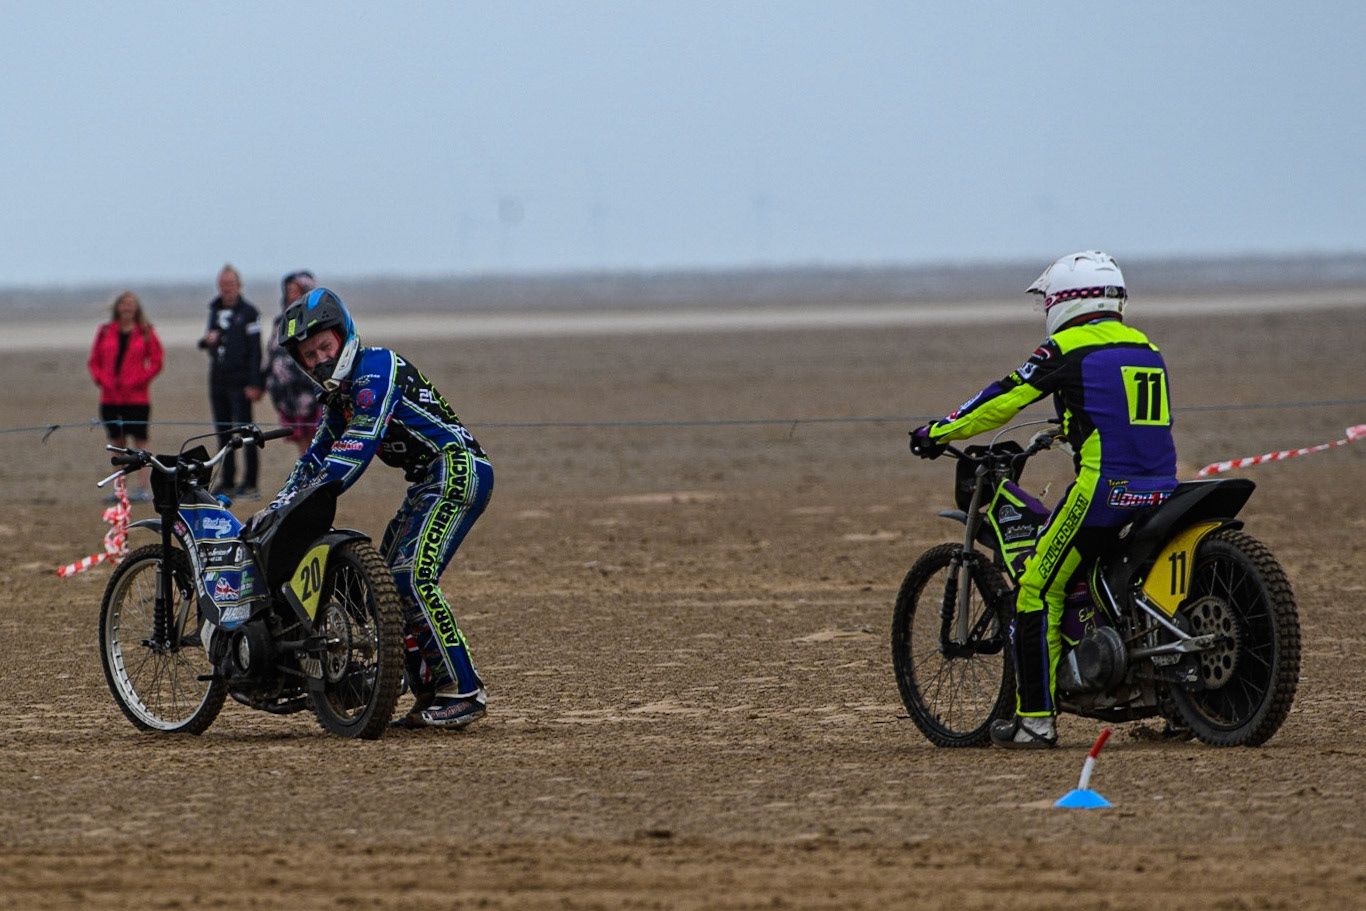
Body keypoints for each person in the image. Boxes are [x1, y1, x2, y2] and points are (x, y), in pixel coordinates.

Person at [909, 251, 1178, 749]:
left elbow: (1003, 398)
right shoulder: (1145, 346)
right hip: (1161, 485)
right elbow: (1118, 414)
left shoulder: (1065, 348)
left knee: (1035, 587)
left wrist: (939, 430)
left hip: (1105, 491)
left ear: (1064, 300)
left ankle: (1035, 721)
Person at [267, 288, 494, 729]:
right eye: (309, 355)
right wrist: (276, 510)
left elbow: (356, 447)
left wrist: (309, 498)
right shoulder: (340, 398)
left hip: (457, 469)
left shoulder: (377, 369)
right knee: (385, 587)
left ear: (344, 335)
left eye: (325, 348)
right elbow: (313, 459)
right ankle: (428, 689)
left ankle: (465, 690)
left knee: (409, 577)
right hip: (428, 482)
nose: (319, 360)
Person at [88, 291, 165, 502]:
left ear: (137, 308)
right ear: (117, 308)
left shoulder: (146, 332)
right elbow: (94, 361)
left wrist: (140, 379)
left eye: (131, 304)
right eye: (124, 304)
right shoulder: (105, 331)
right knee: (117, 444)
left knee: (140, 443)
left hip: (137, 398)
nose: (127, 308)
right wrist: (102, 379)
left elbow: (157, 361)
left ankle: (142, 489)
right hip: (110, 397)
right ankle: (119, 489)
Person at [197, 263, 264, 498]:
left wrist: (256, 383)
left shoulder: (249, 313)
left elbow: (256, 350)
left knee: (245, 432)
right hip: (218, 380)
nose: (227, 288)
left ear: (238, 285)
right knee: (223, 432)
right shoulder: (214, 310)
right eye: (223, 284)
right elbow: (208, 341)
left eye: (231, 284)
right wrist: (209, 341)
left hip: (242, 380)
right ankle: (227, 480)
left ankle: (250, 482)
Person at [263, 270, 322, 455]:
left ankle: (318, 475)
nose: (291, 295)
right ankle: (305, 474)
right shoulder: (281, 321)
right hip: (287, 394)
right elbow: (272, 353)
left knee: (317, 438)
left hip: (310, 390)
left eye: (296, 291)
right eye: (289, 291)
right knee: (301, 440)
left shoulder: (316, 320)